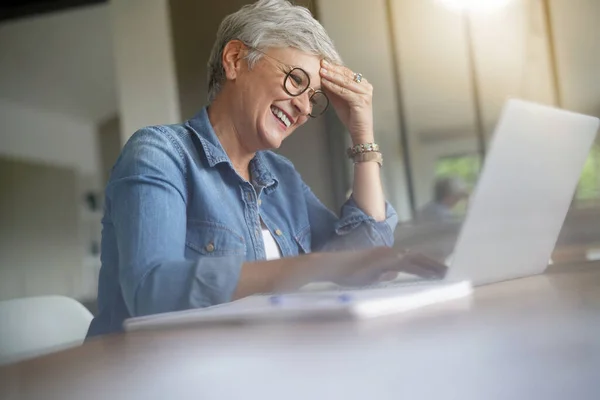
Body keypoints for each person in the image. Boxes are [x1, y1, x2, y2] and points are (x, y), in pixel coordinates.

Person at [86, 0, 445, 337]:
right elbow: (154, 292)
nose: (305, 109)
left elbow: (362, 256)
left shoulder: (281, 176)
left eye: (313, 98)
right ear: (235, 59)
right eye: (297, 81)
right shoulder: (158, 153)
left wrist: (361, 133)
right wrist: (311, 267)